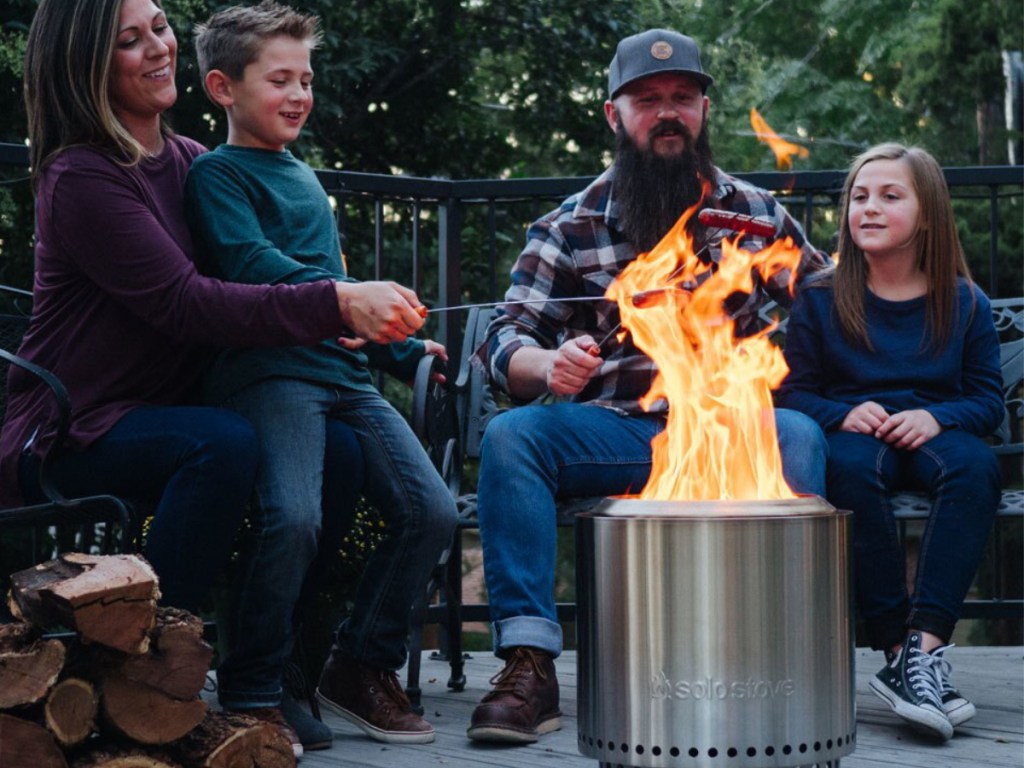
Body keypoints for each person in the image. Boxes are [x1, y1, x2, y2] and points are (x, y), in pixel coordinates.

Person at [1, 0, 427, 755]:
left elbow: (262, 277)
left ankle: (276, 671)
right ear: (85, 66)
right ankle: (149, 665)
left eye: (159, 26)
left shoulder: (197, 163)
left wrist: (378, 335)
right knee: (222, 445)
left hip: (174, 405)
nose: (158, 48)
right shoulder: (83, 177)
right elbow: (186, 304)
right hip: (80, 422)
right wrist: (335, 301)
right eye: (129, 40)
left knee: (348, 456)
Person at [468, 28, 831, 744]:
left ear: (702, 110)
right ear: (614, 115)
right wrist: (545, 366)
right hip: (615, 429)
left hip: (731, 428)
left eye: (683, 98)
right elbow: (503, 337)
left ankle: (777, 655)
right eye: (647, 100)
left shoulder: (759, 216)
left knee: (800, 436)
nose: (667, 113)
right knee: (512, 437)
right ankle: (530, 665)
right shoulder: (568, 227)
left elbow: (833, 310)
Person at [186, 1, 458, 755]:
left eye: (306, 78)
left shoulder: (305, 175)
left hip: (345, 377)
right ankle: (253, 687)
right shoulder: (218, 175)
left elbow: (337, 298)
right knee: (295, 520)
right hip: (272, 378)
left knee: (431, 510)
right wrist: (348, 296)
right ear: (222, 87)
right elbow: (254, 269)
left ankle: (358, 661)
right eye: (281, 79)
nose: (301, 94)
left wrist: (402, 350)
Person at [777, 143, 1003, 741]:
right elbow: (790, 393)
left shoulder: (962, 301)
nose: (869, 208)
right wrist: (843, 412)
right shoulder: (820, 298)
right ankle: (897, 654)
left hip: (935, 435)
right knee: (848, 472)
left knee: (977, 468)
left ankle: (923, 648)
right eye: (859, 196)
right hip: (857, 438)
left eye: (890, 196)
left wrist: (937, 417)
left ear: (926, 213)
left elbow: (987, 401)